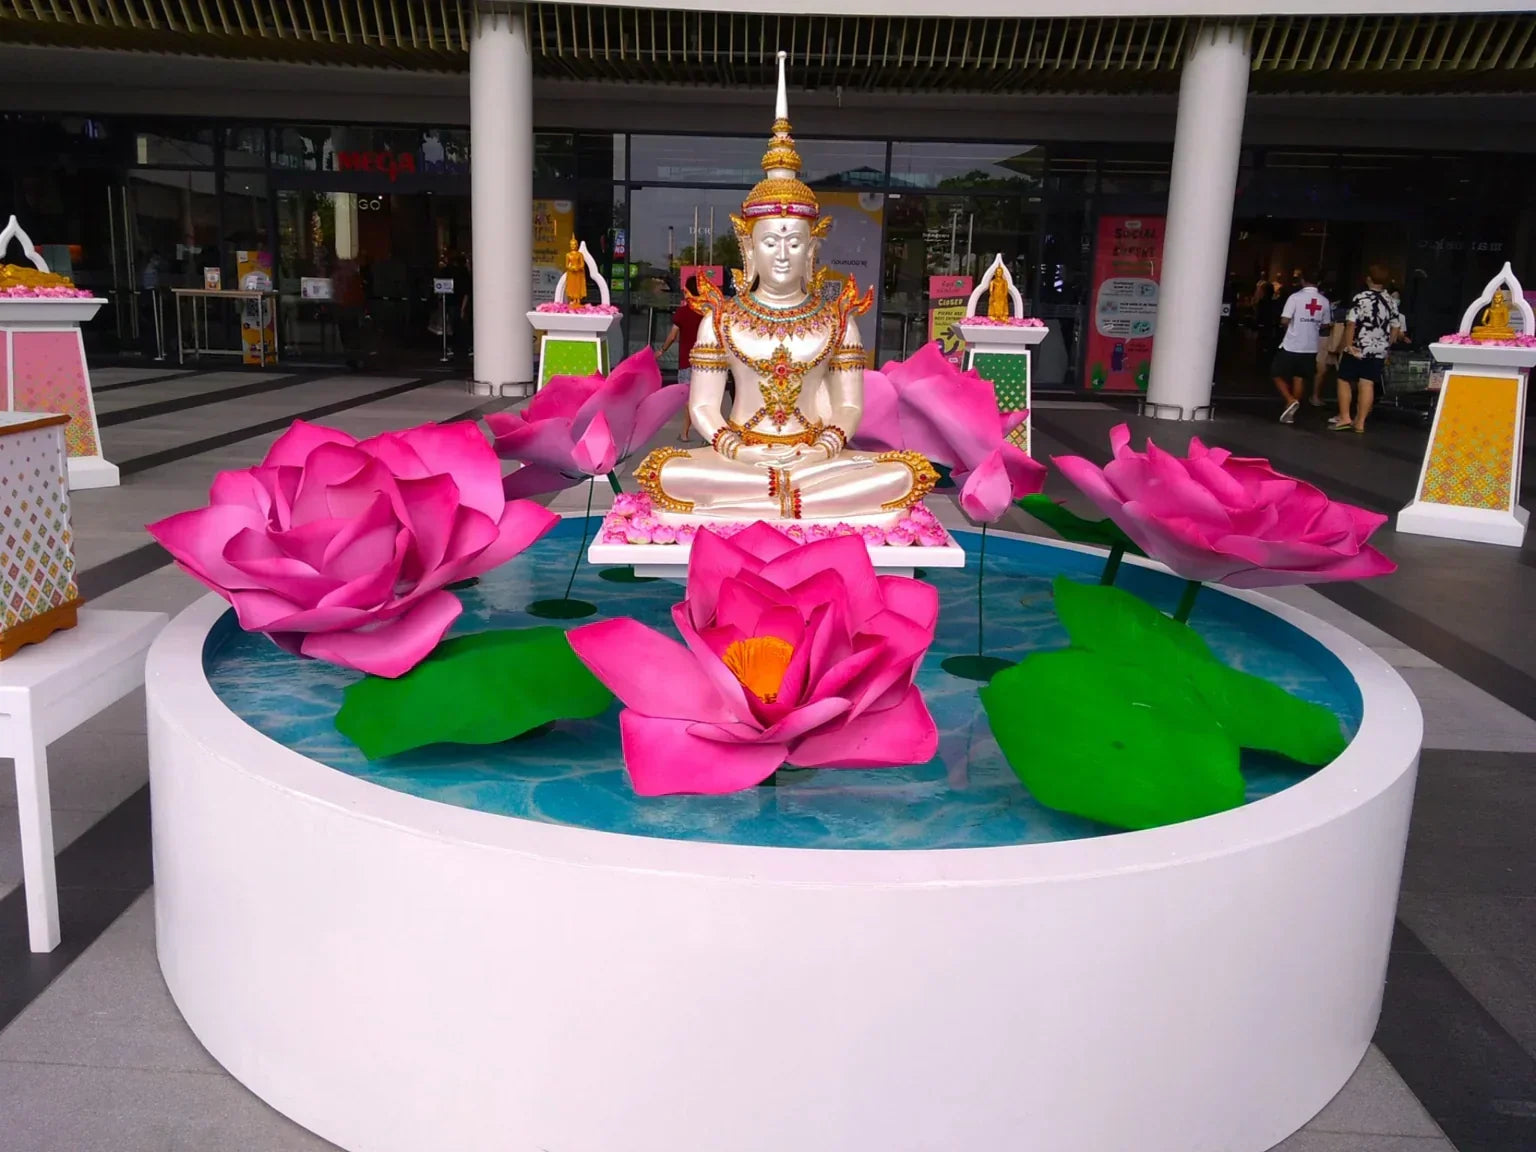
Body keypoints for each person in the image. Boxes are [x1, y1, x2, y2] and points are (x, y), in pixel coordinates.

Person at [1331, 264, 1403, 435]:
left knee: (1344, 379)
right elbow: (1395, 326)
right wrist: (1387, 345)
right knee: (1367, 382)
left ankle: (1345, 417)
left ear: (1368, 278)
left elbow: (1351, 323)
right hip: (1378, 349)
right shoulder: (1391, 301)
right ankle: (1360, 422)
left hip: (1358, 346)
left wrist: (1348, 345)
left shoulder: (1360, 298)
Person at [1270, 270, 1329, 424]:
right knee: (1299, 378)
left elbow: (1284, 320)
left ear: (1303, 280)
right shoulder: (1324, 301)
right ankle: (1290, 413)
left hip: (1292, 343)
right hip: (1310, 345)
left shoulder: (1295, 298)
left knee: (1276, 372)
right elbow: (1326, 324)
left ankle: (1290, 400)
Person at [658, 275, 704, 442]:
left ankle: (685, 432)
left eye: (685, 290)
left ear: (689, 292)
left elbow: (672, 336)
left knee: (687, 399)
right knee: (703, 398)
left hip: (687, 361)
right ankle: (706, 433)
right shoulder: (707, 312)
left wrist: (662, 350)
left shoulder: (683, 312)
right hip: (705, 362)